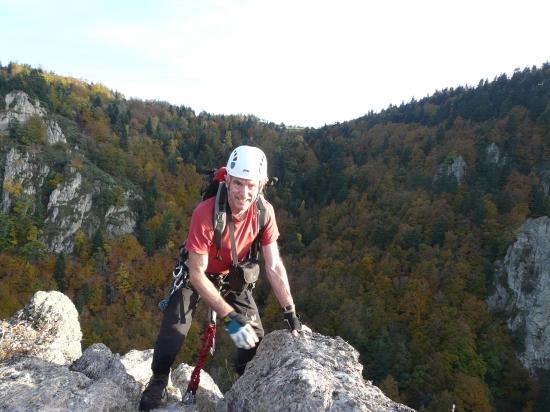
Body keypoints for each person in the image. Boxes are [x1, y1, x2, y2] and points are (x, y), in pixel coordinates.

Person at [139, 145, 305, 411]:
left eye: (251, 186)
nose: (244, 193)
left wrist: (291, 313)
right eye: (238, 184)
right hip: (199, 276)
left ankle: (243, 379)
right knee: (174, 331)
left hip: (231, 278)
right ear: (227, 179)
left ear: (261, 185)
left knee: (252, 340)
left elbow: (274, 265)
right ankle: (159, 379)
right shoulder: (205, 214)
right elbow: (196, 273)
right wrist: (229, 318)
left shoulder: (264, 214)